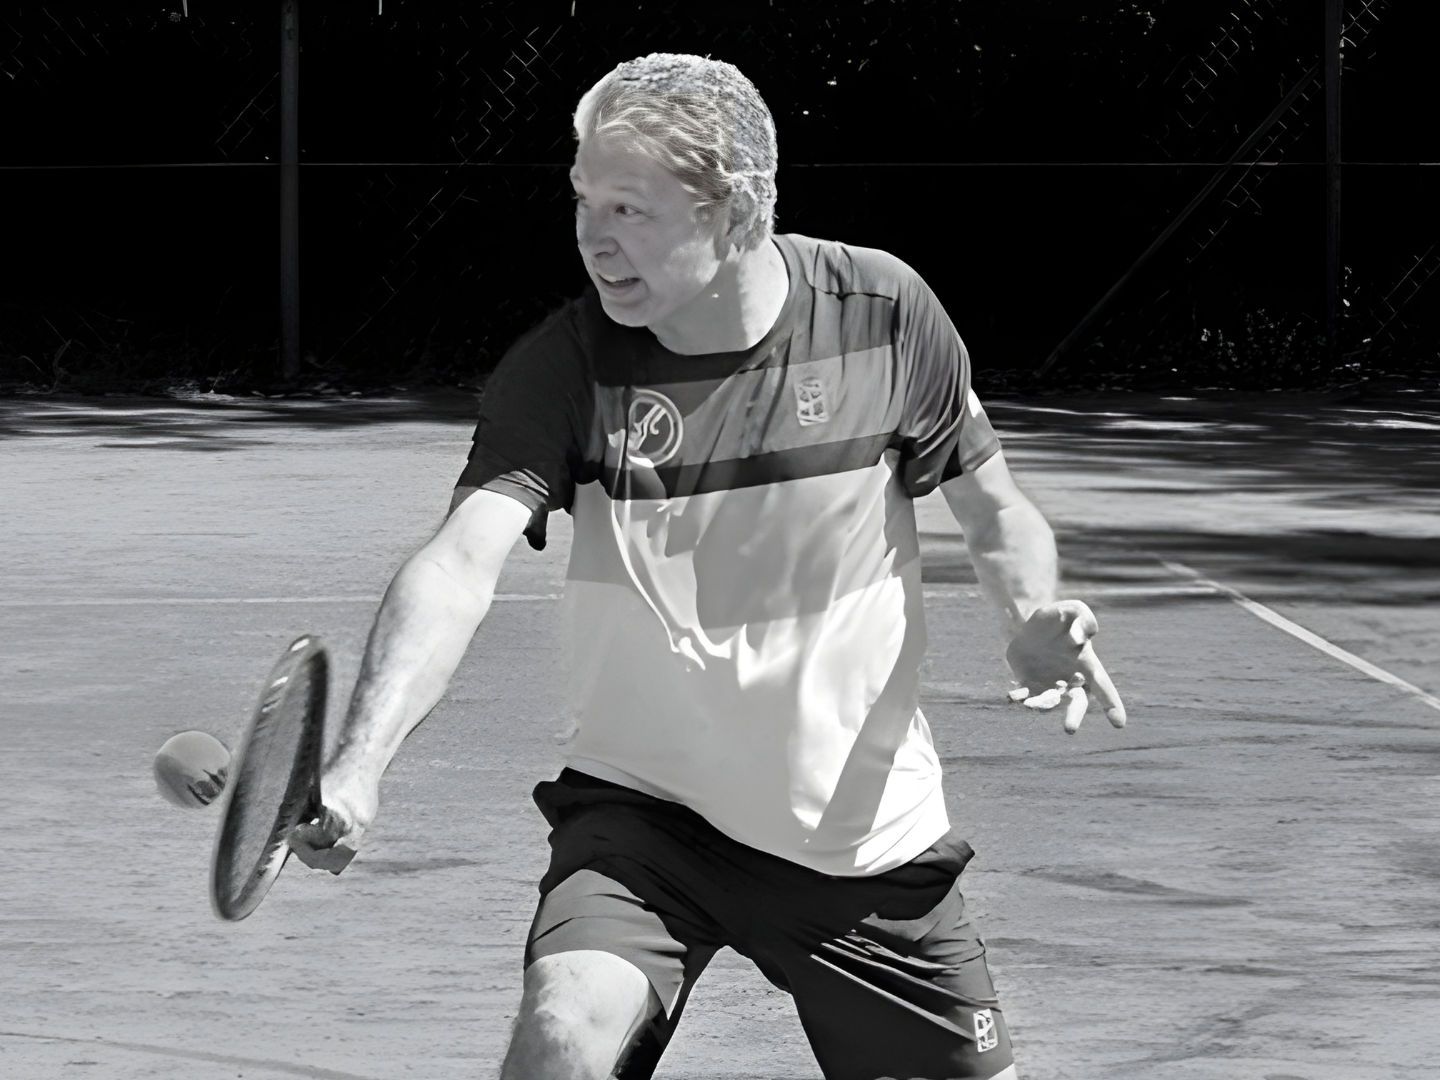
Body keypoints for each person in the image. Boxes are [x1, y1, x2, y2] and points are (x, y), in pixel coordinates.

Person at [290, 52, 1126, 1080]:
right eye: (584, 199)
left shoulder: (883, 314)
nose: (594, 236)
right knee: (563, 1034)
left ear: (733, 212)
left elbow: (995, 512)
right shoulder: (569, 365)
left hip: (861, 847)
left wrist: (1032, 614)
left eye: (631, 208)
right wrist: (361, 760)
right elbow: (460, 563)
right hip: (645, 824)